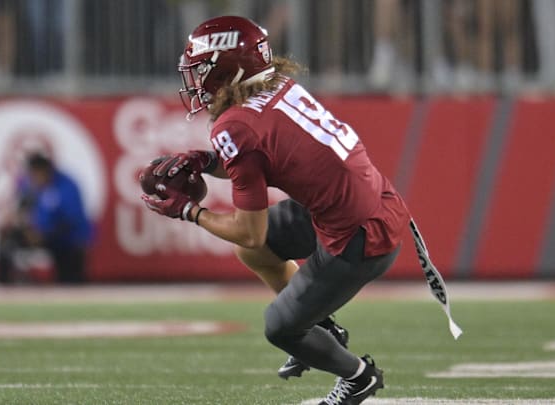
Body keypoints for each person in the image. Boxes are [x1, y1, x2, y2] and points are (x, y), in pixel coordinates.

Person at [142, 16, 410, 404]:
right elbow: (258, 162)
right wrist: (204, 161)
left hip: (360, 235)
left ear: (228, 67)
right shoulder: (279, 88)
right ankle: (323, 327)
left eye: (201, 69)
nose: (196, 81)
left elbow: (250, 227)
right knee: (253, 251)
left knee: (279, 327)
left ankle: (357, 377)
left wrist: (189, 212)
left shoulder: (236, 127)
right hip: (368, 205)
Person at [0, 153, 92, 284]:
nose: (34, 177)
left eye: (36, 173)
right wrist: (16, 222)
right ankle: (1, 283)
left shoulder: (67, 186)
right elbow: (19, 209)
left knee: (69, 275)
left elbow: (72, 220)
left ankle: (72, 284)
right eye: (31, 173)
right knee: (6, 240)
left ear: (46, 171)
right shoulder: (27, 184)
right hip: (34, 234)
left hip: (64, 238)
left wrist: (44, 234)